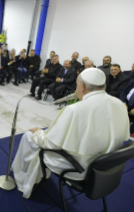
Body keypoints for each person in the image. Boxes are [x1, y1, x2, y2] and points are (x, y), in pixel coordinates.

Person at [12, 68, 129, 199]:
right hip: (104, 167)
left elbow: (49, 144)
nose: (75, 89)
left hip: (77, 168)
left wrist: (38, 132)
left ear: (82, 86)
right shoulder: (119, 104)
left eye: (77, 85)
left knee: (29, 136)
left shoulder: (74, 110)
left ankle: (21, 174)